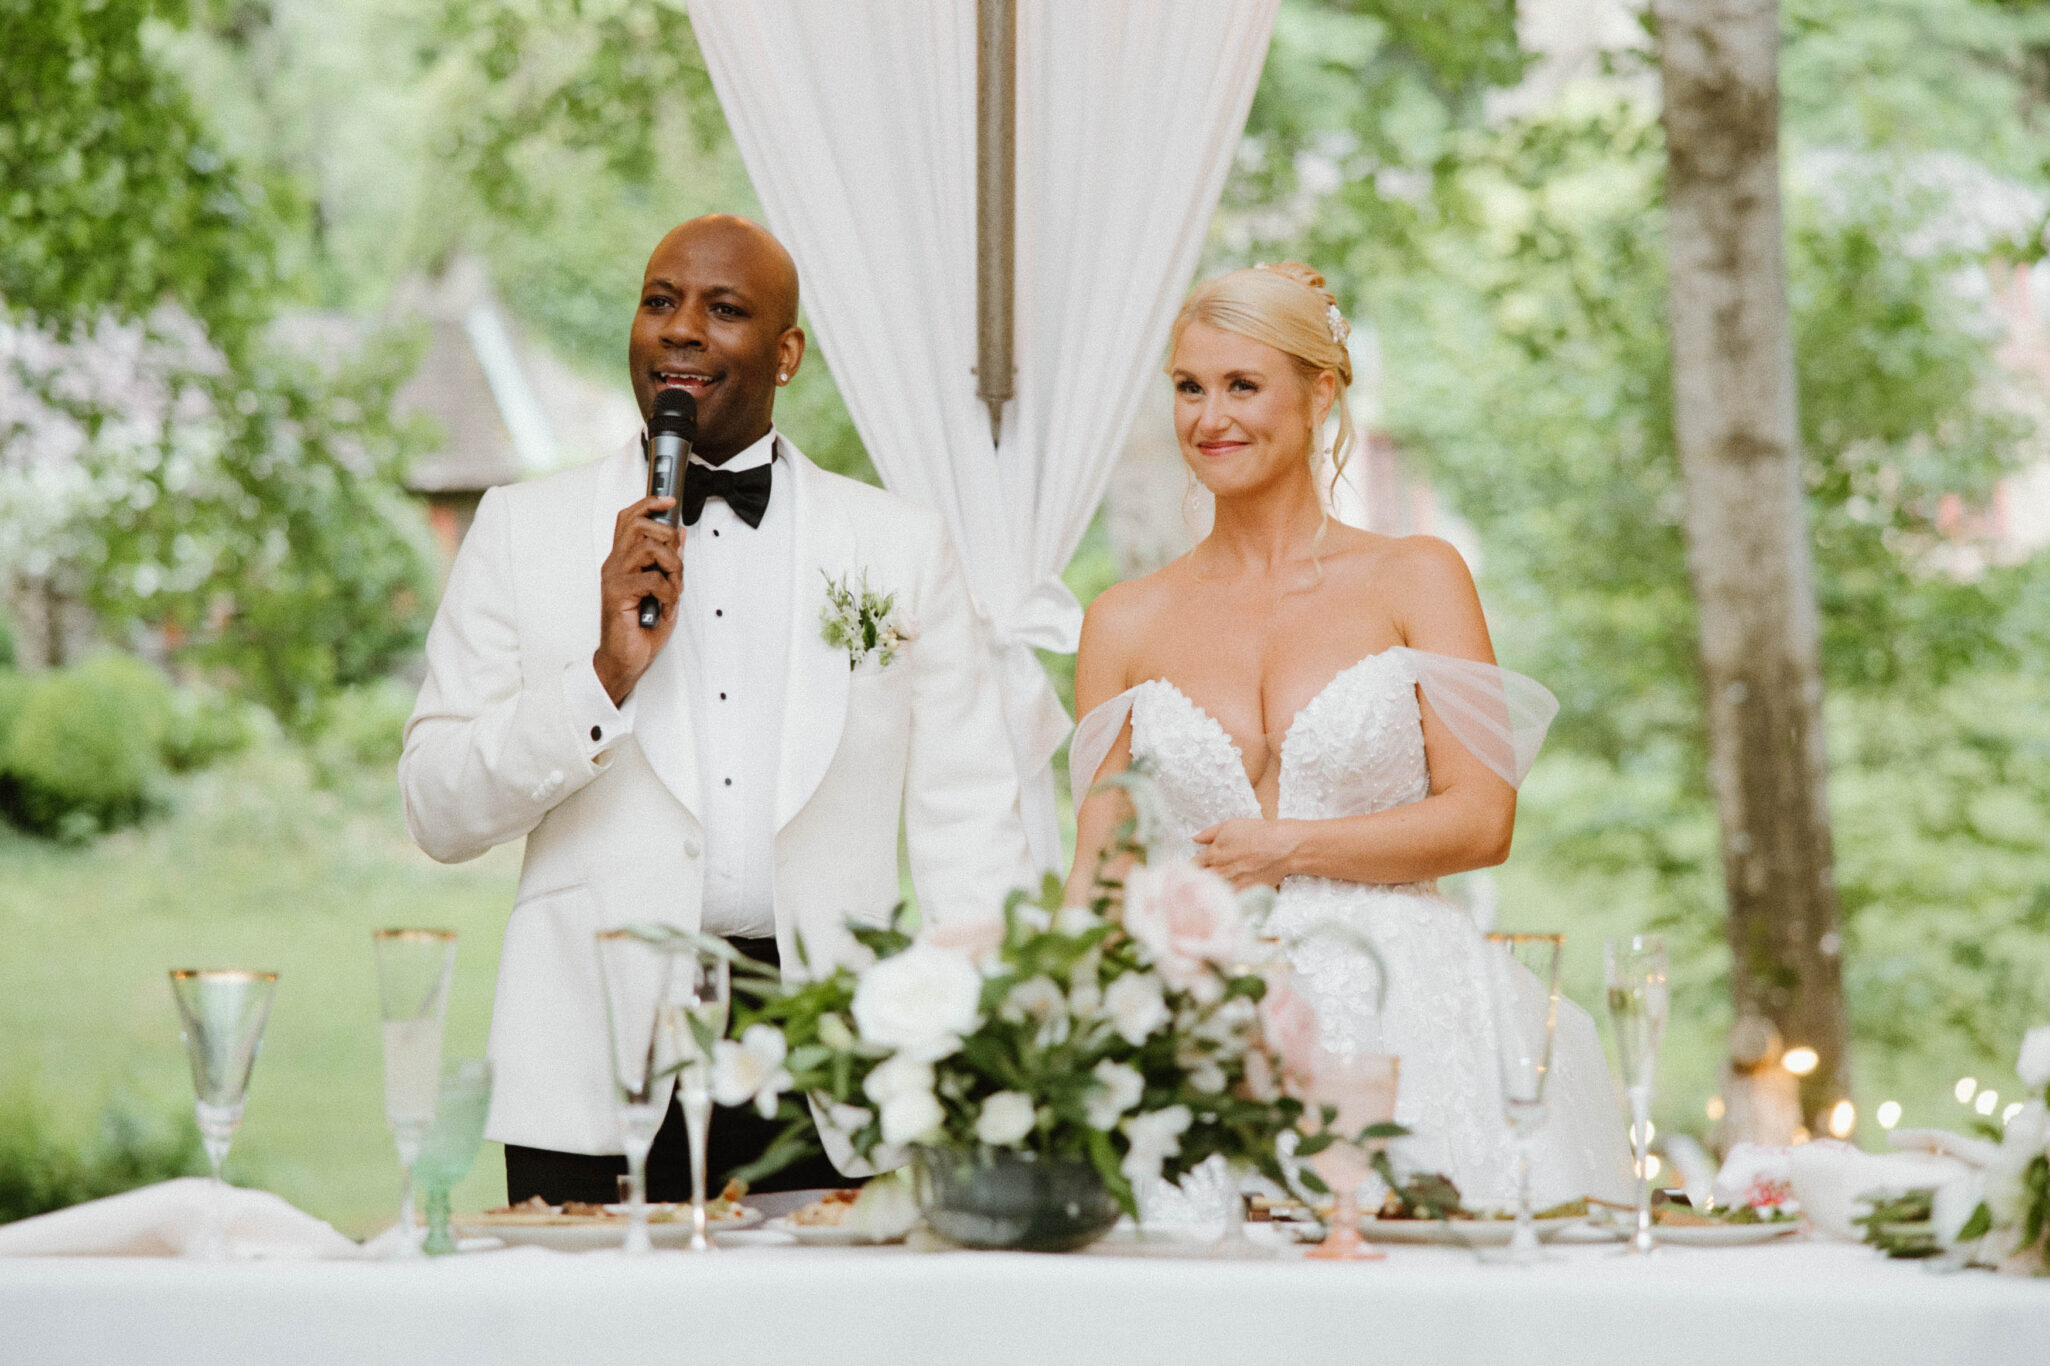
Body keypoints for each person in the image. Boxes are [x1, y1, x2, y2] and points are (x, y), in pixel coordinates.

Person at [400, 215, 1033, 1204]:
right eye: (660, 302)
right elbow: (438, 809)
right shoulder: (522, 531)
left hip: (838, 1060)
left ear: (787, 354)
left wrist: (985, 1052)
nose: (681, 330)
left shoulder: (901, 545)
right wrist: (601, 676)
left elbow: (969, 821)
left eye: (723, 309)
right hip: (593, 1062)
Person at [1064, 262, 1632, 1208]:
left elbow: (1484, 819)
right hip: (1200, 1024)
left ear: (1320, 391)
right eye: (1189, 388)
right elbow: (1100, 870)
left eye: (1243, 385)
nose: (1211, 419)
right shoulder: (1122, 619)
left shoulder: (1416, 577)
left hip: (1411, 1018)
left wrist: (1290, 846)